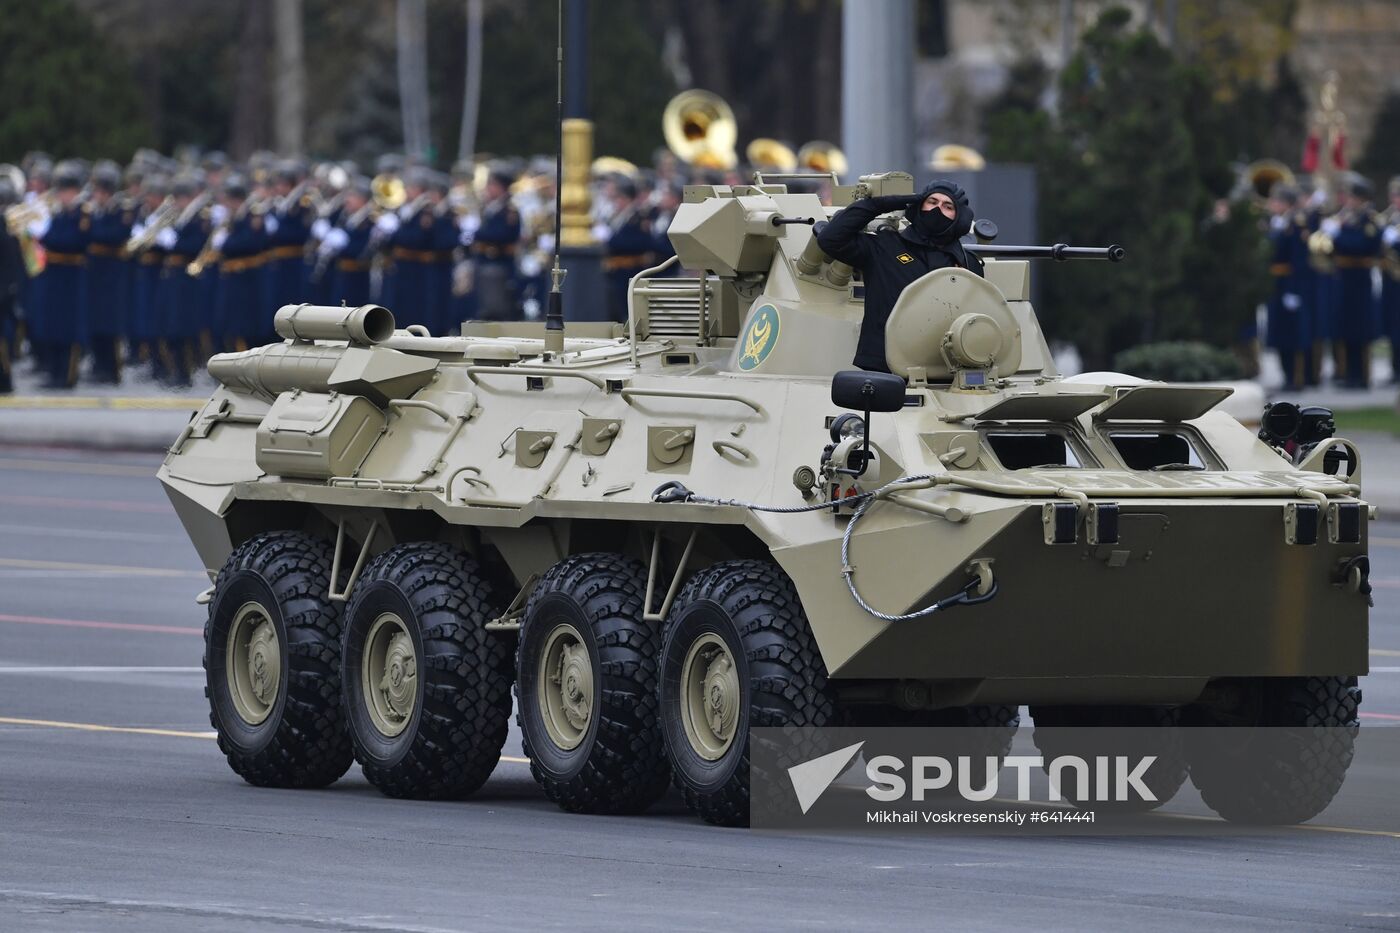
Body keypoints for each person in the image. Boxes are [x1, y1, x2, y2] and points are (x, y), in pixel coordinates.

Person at [816, 180, 984, 372]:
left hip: (945, 368)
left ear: (959, 217)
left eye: (948, 206)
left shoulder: (967, 263)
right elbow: (831, 239)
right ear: (919, 206)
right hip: (885, 366)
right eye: (932, 202)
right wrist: (882, 204)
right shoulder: (884, 247)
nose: (937, 210)